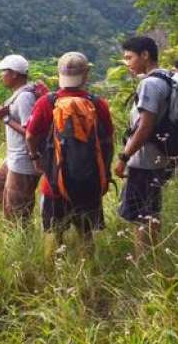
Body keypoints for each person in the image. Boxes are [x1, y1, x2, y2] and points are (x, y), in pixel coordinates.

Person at [26, 52, 114, 258]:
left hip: (55, 183)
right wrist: (105, 174)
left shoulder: (47, 103)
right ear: (86, 75)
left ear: (59, 74)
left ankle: (53, 277)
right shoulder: (98, 103)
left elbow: (30, 136)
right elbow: (108, 142)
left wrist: (36, 158)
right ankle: (87, 275)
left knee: (53, 234)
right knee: (86, 234)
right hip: (89, 182)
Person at [115, 36, 173, 256]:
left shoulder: (150, 83)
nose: (127, 62)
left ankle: (143, 262)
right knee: (151, 211)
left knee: (140, 215)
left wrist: (124, 157)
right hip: (160, 156)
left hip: (145, 159)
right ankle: (153, 257)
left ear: (145, 55)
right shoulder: (167, 76)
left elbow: (145, 126)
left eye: (129, 57)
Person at [0, 54, 42, 223]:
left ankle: (20, 235)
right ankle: (9, 221)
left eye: (4, 71)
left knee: (17, 209)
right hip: (13, 157)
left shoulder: (25, 97)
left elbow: (31, 132)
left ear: (15, 74)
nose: (0, 75)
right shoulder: (20, 93)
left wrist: (5, 119)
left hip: (24, 159)